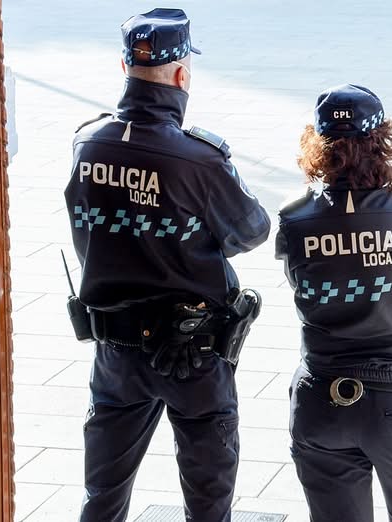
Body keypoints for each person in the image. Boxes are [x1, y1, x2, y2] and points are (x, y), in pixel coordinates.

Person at [63, 8, 271, 522]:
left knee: (102, 496)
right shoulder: (199, 158)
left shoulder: (87, 142)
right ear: (182, 75)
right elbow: (252, 231)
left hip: (116, 351)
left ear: (124, 66)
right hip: (194, 354)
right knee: (207, 498)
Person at [276, 84, 392, 521]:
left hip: (323, 396)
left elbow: (305, 287)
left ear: (317, 144)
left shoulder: (295, 219)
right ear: (382, 142)